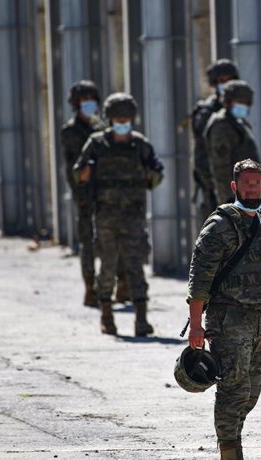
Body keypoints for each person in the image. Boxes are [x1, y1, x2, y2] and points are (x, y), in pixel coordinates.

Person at [187, 159, 261, 459]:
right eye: (246, 183)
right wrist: (196, 324)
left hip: (260, 319)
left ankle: (232, 438)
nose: (252, 187)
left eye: (257, 182)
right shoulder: (219, 225)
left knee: (251, 390)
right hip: (229, 319)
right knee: (233, 388)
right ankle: (230, 451)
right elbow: (199, 278)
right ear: (234, 186)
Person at [73, 92, 164, 336]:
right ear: (110, 119)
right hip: (106, 215)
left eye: (126, 118)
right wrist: (87, 171)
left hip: (133, 215)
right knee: (108, 267)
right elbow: (78, 174)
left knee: (135, 266)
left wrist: (149, 174)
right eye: (117, 118)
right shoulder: (97, 144)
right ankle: (106, 315)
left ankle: (141, 318)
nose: (122, 122)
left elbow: (156, 174)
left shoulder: (140, 144)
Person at [60, 80, 129, 307]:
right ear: (75, 104)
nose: (88, 104)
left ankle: (121, 283)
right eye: (83, 100)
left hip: (108, 193)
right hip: (85, 194)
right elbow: (75, 166)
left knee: (115, 237)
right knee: (88, 241)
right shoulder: (71, 132)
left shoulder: (102, 128)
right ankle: (90, 287)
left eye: (91, 99)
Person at [190, 59, 239, 223]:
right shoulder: (207, 113)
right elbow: (201, 156)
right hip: (216, 190)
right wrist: (213, 187)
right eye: (222, 81)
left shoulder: (235, 111)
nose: (226, 84)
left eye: (230, 80)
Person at [204, 80, 260, 206]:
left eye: (246, 103)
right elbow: (220, 169)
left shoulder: (239, 124)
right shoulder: (221, 126)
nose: (243, 106)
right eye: (240, 102)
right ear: (228, 103)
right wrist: (231, 201)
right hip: (233, 199)